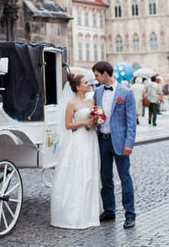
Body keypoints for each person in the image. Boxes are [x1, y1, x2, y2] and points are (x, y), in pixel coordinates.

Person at [50, 73, 101, 229]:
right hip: (79, 140)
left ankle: (90, 214)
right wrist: (84, 122)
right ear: (78, 87)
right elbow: (67, 125)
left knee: (91, 174)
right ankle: (74, 214)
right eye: (86, 82)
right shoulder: (72, 103)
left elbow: (96, 119)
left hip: (91, 139)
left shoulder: (92, 101)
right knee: (79, 173)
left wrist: (96, 122)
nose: (89, 84)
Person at [93, 61, 137, 229]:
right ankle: (109, 210)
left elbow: (131, 121)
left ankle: (130, 214)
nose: (96, 79)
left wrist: (129, 143)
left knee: (125, 178)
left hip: (119, 142)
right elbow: (97, 114)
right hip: (102, 140)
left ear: (105, 74)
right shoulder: (97, 92)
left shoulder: (125, 93)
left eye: (97, 75)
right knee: (106, 178)